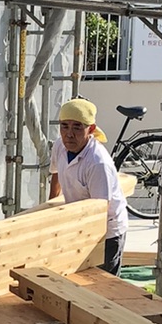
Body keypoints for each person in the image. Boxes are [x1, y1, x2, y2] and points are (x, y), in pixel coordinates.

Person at [48, 96, 128, 274]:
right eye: (64, 126)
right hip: (79, 221)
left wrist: (83, 241)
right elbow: (56, 174)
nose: (69, 134)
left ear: (90, 129)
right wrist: (51, 214)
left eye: (77, 127)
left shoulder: (98, 163)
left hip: (105, 231)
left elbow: (99, 209)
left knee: (100, 281)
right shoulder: (60, 146)